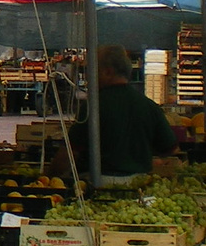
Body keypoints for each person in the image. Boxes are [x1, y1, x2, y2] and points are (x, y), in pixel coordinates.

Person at [65, 45, 177, 179]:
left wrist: (50, 176)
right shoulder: (149, 106)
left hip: (97, 183)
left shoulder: (93, 106)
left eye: (92, 71)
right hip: (139, 184)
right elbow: (170, 148)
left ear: (107, 72)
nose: (89, 77)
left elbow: (70, 153)